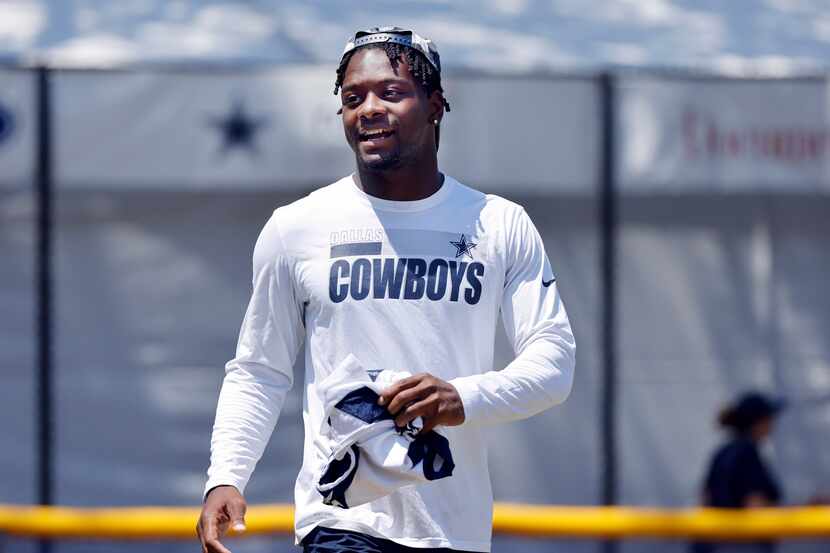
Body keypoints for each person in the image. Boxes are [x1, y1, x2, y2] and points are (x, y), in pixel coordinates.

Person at [196, 26, 576, 553]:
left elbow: (553, 366)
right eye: (352, 99)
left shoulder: (499, 224)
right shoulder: (297, 227)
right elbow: (260, 368)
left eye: (390, 93)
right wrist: (226, 474)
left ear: (436, 105)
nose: (368, 109)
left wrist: (460, 397)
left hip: (455, 530)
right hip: (341, 525)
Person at [691, 391, 785, 553]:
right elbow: (755, 507)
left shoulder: (722, 452)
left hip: (715, 544)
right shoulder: (748, 453)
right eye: (769, 418)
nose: (772, 424)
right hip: (741, 546)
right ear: (758, 422)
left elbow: (705, 501)